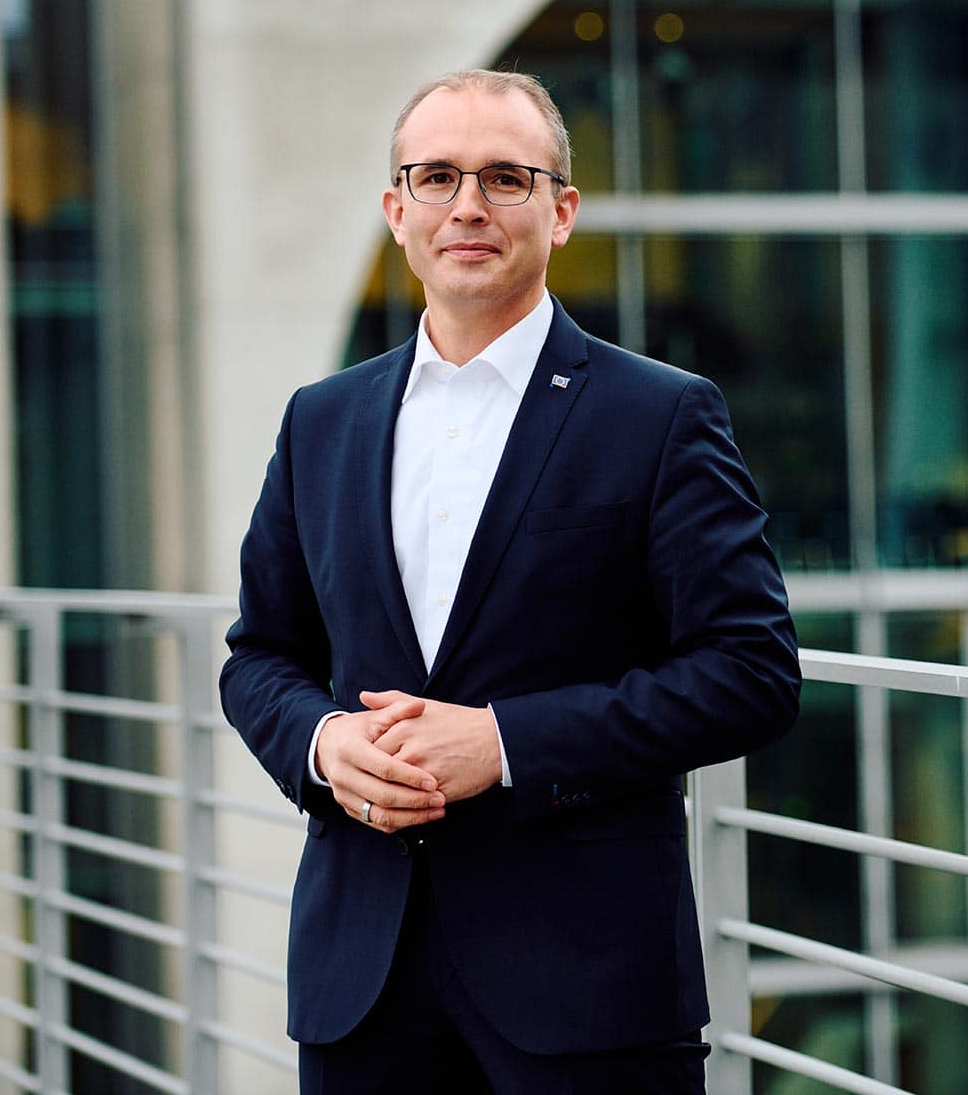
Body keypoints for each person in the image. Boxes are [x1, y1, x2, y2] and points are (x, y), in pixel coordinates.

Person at [219, 69, 801, 1093]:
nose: (469, 206)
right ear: (397, 211)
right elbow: (260, 653)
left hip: (587, 986)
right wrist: (324, 742)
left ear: (561, 209)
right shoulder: (323, 419)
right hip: (362, 978)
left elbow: (750, 670)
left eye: (505, 177)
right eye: (436, 176)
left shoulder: (660, 415)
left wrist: (504, 742)